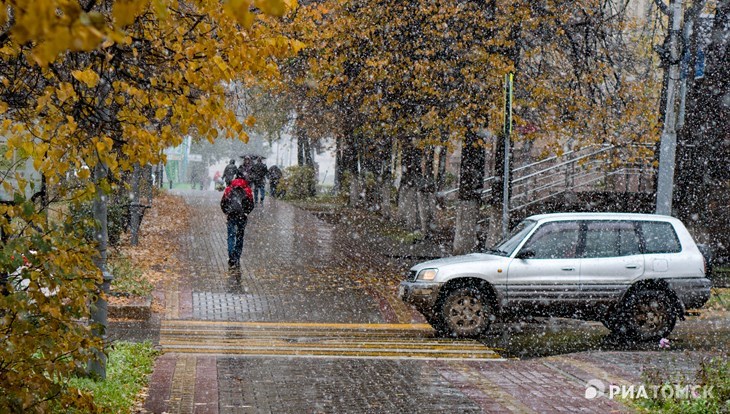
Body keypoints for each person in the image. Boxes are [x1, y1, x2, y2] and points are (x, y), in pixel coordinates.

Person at [220, 171, 254, 268]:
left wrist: (227, 212)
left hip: (231, 216)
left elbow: (223, 203)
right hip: (242, 217)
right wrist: (246, 212)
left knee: (231, 236)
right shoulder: (247, 190)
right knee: (240, 237)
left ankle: (231, 256)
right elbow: (251, 205)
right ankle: (237, 257)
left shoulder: (229, 189)